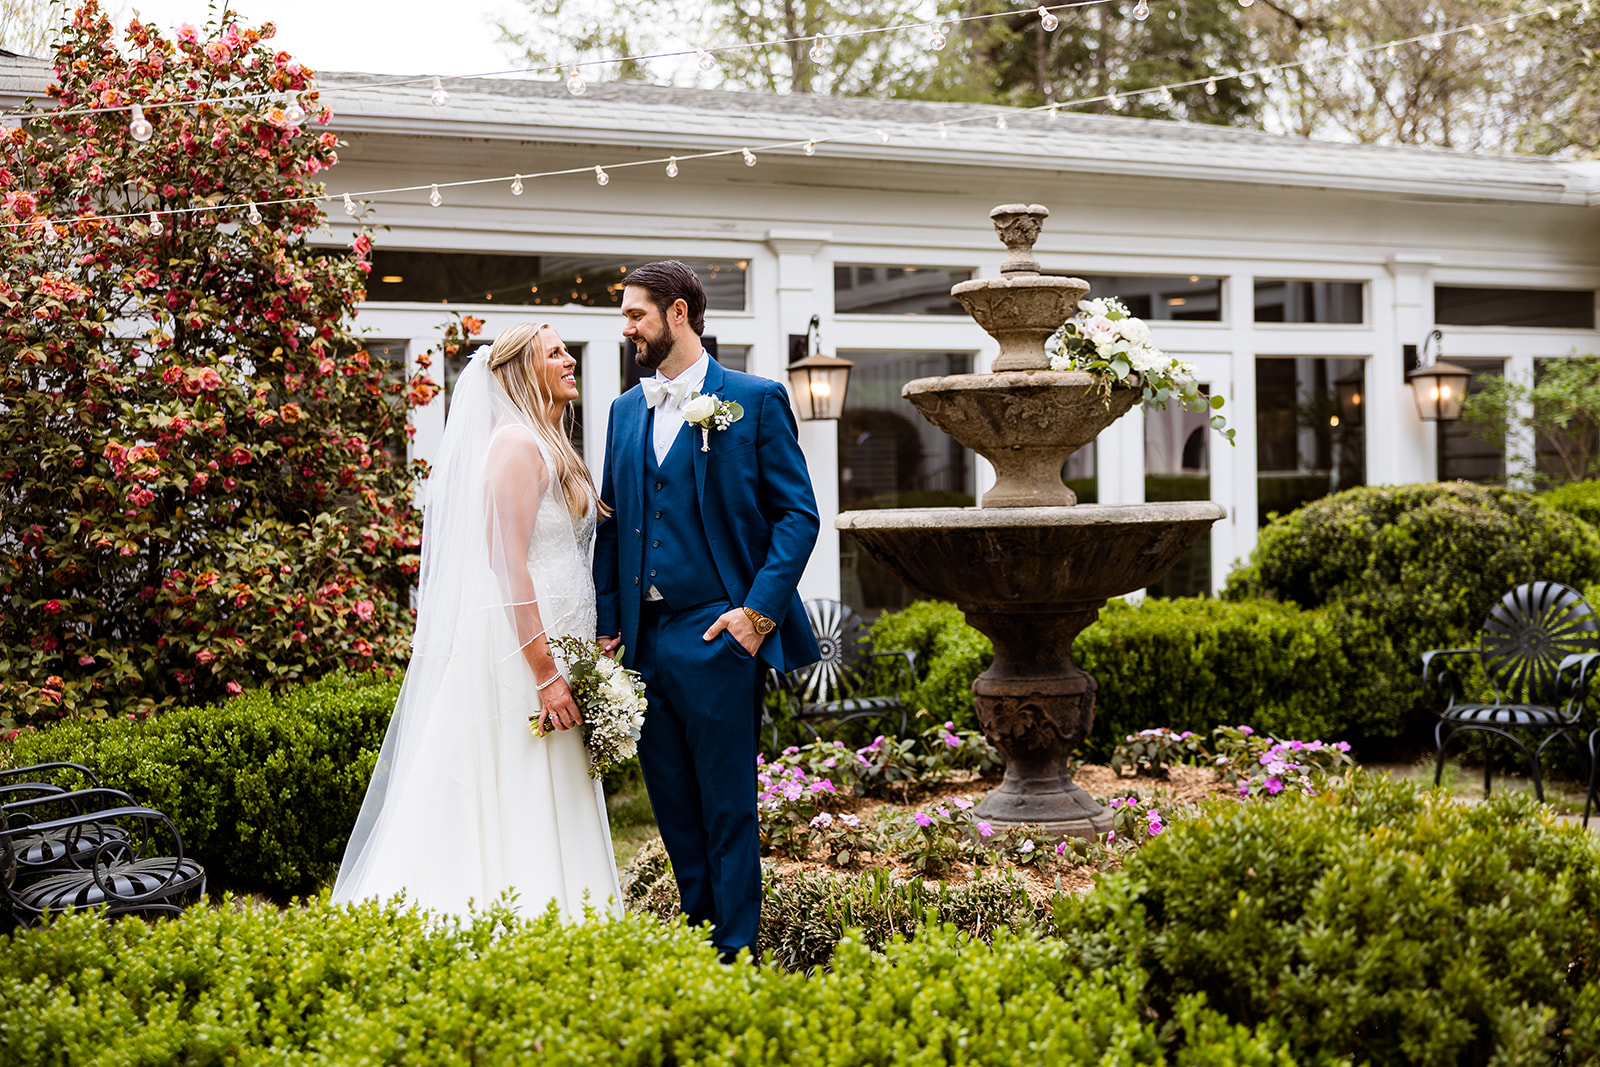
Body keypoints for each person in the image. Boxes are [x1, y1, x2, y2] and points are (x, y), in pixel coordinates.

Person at [332, 322, 622, 919]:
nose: (571, 360)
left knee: (554, 789)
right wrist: (544, 671)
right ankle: (514, 915)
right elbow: (506, 563)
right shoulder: (515, 445)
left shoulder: (547, 444)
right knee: (518, 787)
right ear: (523, 370)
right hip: (519, 654)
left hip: (558, 647)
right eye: (556, 353)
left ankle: (565, 916)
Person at [593, 260, 821, 960]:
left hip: (718, 631)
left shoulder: (754, 400)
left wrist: (756, 614)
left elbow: (798, 515)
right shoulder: (625, 409)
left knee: (727, 806)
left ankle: (739, 951)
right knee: (672, 806)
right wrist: (607, 626)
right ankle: (699, 942)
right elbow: (612, 522)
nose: (626, 326)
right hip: (645, 642)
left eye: (637, 314)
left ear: (680, 314)